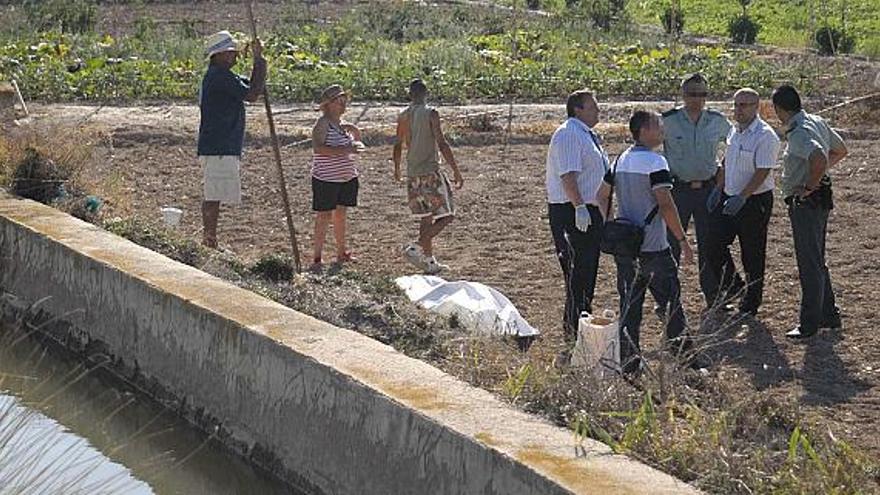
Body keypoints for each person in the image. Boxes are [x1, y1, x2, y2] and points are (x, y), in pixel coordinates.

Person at [597, 110, 697, 374]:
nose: (661, 130)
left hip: (626, 249)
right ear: (643, 130)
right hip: (654, 247)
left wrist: (610, 224)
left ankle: (629, 364)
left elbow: (601, 195)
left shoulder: (619, 161)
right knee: (671, 306)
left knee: (630, 308)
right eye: (657, 126)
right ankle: (687, 363)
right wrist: (682, 240)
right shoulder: (656, 163)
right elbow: (665, 204)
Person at [772, 85, 847, 339]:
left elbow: (819, 157)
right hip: (820, 199)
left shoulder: (799, 132)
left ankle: (809, 324)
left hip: (807, 202)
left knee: (809, 263)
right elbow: (840, 150)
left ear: (779, 110)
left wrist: (809, 184)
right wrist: (819, 175)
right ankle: (829, 315)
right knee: (817, 259)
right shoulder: (816, 121)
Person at [662, 73, 743, 308]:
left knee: (710, 244)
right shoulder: (668, 121)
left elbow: (736, 144)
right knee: (671, 244)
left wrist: (723, 170)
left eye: (702, 94)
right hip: (678, 190)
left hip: (708, 190)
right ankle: (667, 298)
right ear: (683, 95)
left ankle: (714, 296)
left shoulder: (717, 121)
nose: (697, 99)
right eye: (692, 94)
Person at [705, 88, 781, 317]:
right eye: (737, 105)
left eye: (745, 105)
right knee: (713, 245)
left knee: (752, 252)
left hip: (754, 200)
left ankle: (751, 301)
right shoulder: (734, 131)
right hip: (729, 194)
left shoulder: (766, 136)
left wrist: (743, 196)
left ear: (756, 107)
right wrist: (719, 188)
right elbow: (728, 159)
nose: (739, 109)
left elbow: (763, 170)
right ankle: (735, 286)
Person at [544, 89, 609, 343]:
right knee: (578, 274)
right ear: (578, 109)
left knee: (586, 271)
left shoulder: (587, 135)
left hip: (585, 210)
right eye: (593, 106)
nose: (598, 110)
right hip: (571, 211)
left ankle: (581, 325)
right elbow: (568, 176)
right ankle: (573, 333)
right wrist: (580, 206)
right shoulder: (569, 134)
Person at [197, 30, 266, 249]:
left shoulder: (224, 75)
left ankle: (210, 240)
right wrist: (259, 60)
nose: (235, 57)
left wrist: (259, 64)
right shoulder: (220, 76)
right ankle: (209, 241)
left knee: (214, 193)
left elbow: (253, 87)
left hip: (221, 144)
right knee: (213, 194)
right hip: (219, 145)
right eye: (231, 53)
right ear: (219, 55)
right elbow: (253, 94)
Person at [392, 79, 463, 274]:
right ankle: (415, 247)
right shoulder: (431, 113)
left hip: (413, 173)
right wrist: (455, 169)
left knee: (426, 218)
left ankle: (430, 263)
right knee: (447, 216)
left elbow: (398, 144)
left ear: (410, 94)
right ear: (426, 93)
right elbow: (442, 142)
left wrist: (397, 168)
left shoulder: (403, 115)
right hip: (430, 172)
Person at [310, 84, 365, 266]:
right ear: (328, 104)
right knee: (324, 216)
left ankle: (341, 252)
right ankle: (317, 257)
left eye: (344, 100)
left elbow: (355, 143)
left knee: (341, 214)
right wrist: (346, 149)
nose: (343, 104)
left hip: (347, 177)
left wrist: (354, 132)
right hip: (326, 178)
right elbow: (318, 148)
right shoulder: (323, 123)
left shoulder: (341, 124)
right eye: (339, 101)